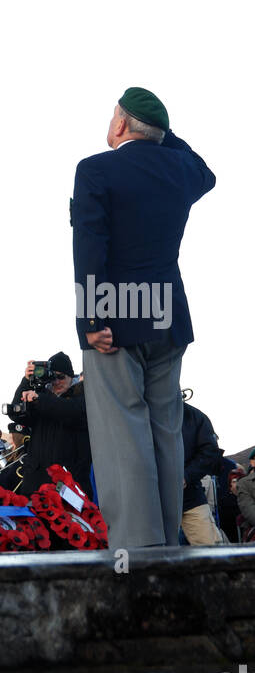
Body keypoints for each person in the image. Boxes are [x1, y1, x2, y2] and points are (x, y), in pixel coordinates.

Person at [72, 88, 216, 547]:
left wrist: (90, 317)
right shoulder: (183, 172)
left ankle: (138, 553)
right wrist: (161, 134)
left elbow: (90, 245)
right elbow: (206, 172)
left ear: (120, 125)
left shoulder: (95, 169)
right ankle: (169, 546)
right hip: (167, 317)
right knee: (166, 435)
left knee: (123, 437)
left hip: (115, 317)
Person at [5, 352, 92, 497]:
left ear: (71, 377)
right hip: (36, 484)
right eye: (53, 377)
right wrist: (27, 381)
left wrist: (40, 399)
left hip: (69, 485)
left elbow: (70, 411)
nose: (56, 382)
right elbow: (16, 412)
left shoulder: (83, 395)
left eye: (61, 377)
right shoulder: (42, 398)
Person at [180, 400, 224, 545]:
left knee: (211, 549)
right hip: (150, 499)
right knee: (152, 556)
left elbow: (209, 452)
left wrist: (186, 476)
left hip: (190, 496)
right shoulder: (140, 412)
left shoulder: (194, 416)